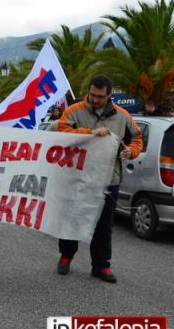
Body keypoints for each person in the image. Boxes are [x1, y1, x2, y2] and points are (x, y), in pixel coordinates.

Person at [56, 75, 143, 283]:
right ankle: (66, 256)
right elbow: (62, 131)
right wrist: (91, 133)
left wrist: (130, 152)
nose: (94, 99)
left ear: (109, 95)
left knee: (104, 226)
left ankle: (101, 266)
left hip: (109, 180)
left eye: (99, 97)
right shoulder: (74, 111)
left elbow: (138, 138)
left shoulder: (123, 116)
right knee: (72, 218)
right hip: (77, 178)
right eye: (92, 95)